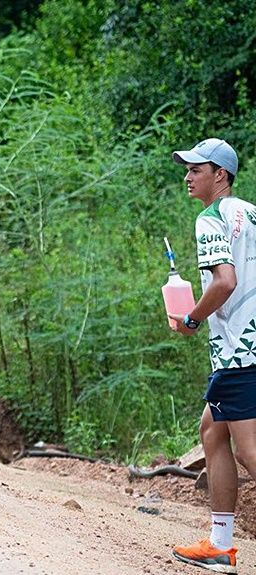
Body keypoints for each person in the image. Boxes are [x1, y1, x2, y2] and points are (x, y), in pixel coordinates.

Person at [169, 138, 256, 574]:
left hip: (240, 350)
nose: (187, 177)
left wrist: (191, 319)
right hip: (251, 344)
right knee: (211, 430)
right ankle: (220, 544)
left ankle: (221, 546)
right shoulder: (253, 213)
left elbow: (224, 281)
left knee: (249, 450)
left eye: (196, 170)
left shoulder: (211, 218)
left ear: (219, 175)